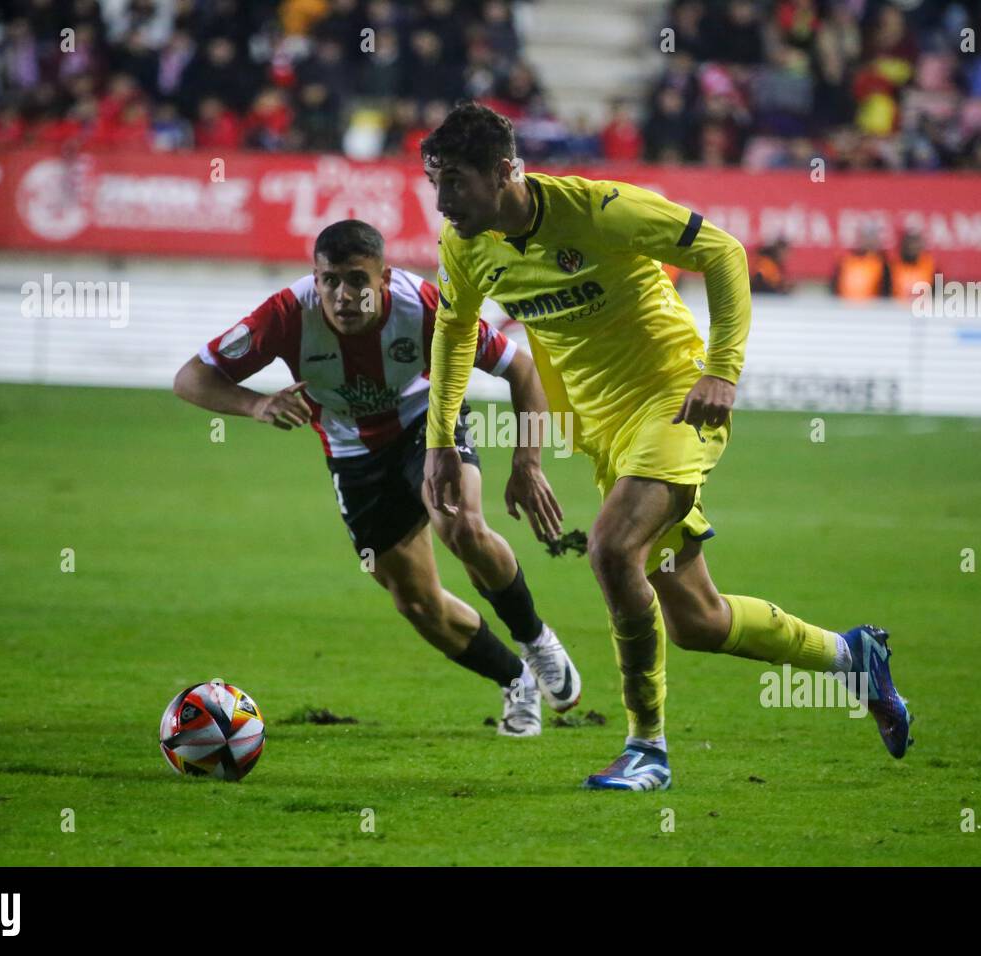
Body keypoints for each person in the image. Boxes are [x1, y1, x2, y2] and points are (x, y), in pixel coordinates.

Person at [419, 102, 912, 790]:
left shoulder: (599, 211)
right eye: (434, 181)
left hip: (675, 401)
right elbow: (455, 331)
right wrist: (442, 437)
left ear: (504, 171)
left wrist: (722, 370)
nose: (442, 202)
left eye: (456, 182)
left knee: (612, 549)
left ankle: (646, 749)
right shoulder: (465, 247)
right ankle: (851, 659)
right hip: (605, 435)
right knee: (698, 621)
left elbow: (723, 252)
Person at [173, 219, 581, 737]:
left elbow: (520, 370)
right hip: (353, 456)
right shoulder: (284, 316)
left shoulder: (424, 306)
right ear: (315, 278)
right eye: (330, 280)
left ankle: (535, 638)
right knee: (415, 601)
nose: (343, 296)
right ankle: (516, 680)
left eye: (357, 281)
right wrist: (256, 404)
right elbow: (191, 377)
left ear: (384, 278)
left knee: (459, 524)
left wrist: (528, 463)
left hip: (427, 427)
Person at [830, 222, 892, 300]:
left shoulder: (883, 264)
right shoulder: (846, 261)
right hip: (845, 308)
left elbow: (886, 291)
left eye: (871, 237)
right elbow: (835, 286)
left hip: (873, 309)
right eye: (866, 236)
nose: (868, 241)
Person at [889, 226, 936, 302]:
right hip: (897, 310)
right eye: (910, 242)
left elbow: (935, 292)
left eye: (915, 242)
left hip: (922, 309)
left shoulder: (929, 265)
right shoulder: (894, 266)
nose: (912, 246)